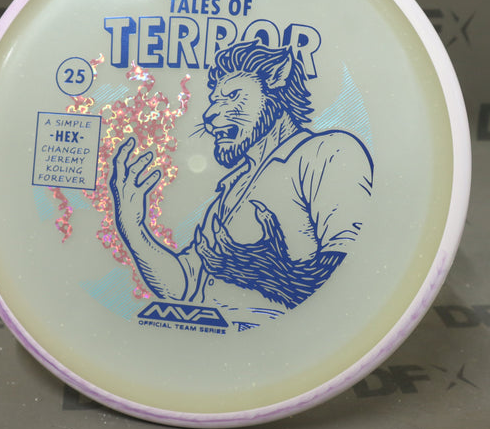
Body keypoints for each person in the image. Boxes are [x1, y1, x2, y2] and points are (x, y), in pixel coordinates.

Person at [110, 39, 373, 327]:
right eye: (214, 100)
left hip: (284, 347)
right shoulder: (232, 188)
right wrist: (133, 227)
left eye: (232, 96)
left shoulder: (329, 153)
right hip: (210, 350)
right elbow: (183, 288)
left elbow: (350, 280)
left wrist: (256, 270)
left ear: (276, 82)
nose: (210, 114)